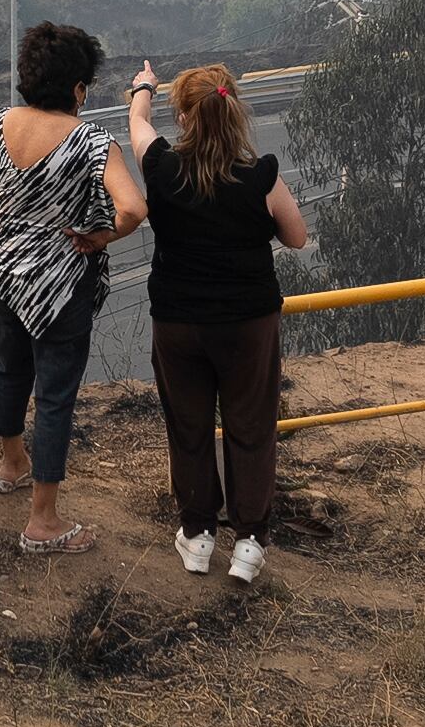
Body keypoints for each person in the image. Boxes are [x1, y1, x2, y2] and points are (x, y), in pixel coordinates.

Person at [0, 21, 146, 554]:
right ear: (78, 90)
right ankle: (43, 521)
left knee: (11, 368)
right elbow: (134, 208)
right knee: (55, 395)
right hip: (60, 285)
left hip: (1, 271)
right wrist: (103, 235)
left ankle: (9, 464)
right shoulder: (91, 142)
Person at [128, 59, 308, 584]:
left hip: (179, 322)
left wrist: (143, 88)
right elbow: (296, 237)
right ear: (234, 113)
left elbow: (137, 125)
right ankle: (249, 543)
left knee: (189, 426)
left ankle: (199, 534)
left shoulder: (162, 167)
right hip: (248, 323)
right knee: (251, 427)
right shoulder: (261, 175)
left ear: (183, 117)